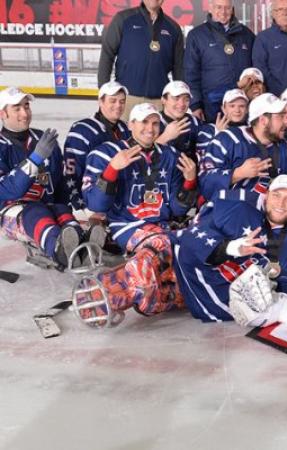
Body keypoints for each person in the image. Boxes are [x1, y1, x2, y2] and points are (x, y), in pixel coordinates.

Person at [76, 103, 197, 322]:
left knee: (183, 251)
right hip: (127, 226)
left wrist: (189, 182)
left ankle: (145, 295)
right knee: (162, 245)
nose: (150, 129)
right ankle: (101, 290)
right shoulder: (106, 152)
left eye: (154, 123)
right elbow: (96, 204)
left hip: (161, 226)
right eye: (143, 122)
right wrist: (113, 169)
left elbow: (177, 208)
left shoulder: (170, 155)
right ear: (131, 124)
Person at [174, 174, 287, 326]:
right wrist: (229, 248)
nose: (281, 203)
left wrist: (280, 302)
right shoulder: (235, 203)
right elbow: (192, 236)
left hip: (228, 295)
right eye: (276, 195)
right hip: (189, 270)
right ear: (266, 196)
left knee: (262, 307)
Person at [0, 87, 101, 269]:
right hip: (11, 210)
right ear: (3, 113)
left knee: (61, 211)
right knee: (38, 214)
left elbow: (60, 180)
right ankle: (59, 249)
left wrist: (65, 205)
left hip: (45, 204)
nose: (25, 113)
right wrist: (35, 158)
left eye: (27, 106)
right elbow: (7, 190)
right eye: (17, 108)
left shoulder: (42, 138)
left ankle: (83, 246)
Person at [199, 93, 287, 204]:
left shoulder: (286, 148)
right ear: (263, 120)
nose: (286, 121)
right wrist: (238, 173)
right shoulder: (227, 140)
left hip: (270, 215)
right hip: (228, 213)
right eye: (281, 116)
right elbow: (205, 184)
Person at [98, 0, 184, 120]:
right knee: (123, 138)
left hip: (159, 102)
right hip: (126, 100)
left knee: (157, 138)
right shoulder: (123, 19)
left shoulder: (173, 28)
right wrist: (103, 92)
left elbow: (179, 68)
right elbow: (107, 55)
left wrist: (179, 100)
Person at [184, 0, 255, 123]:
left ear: (232, 9)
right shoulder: (196, 35)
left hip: (240, 107)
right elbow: (190, 73)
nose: (223, 12)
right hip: (211, 106)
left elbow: (255, 69)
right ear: (210, 8)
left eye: (227, 8)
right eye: (219, 7)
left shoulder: (247, 34)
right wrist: (195, 104)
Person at [63, 81, 131, 210]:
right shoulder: (82, 130)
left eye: (122, 101)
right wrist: (79, 206)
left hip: (119, 202)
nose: (118, 105)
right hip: (92, 202)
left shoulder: (125, 128)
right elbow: (71, 173)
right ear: (100, 102)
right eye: (113, 101)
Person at [196, 88, 249, 161]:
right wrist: (219, 135)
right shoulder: (207, 130)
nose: (237, 110)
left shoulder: (252, 131)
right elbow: (203, 161)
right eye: (232, 106)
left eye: (242, 106)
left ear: (247, 109)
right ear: (223, 108)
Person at [156, 81, 203, 161]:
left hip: (189, 171)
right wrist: (165, 137)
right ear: (163, 100)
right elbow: (143, 157)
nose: (181, 104)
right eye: (176, 98)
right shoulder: (152, 122)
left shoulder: (194, 122)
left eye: (186, 99)